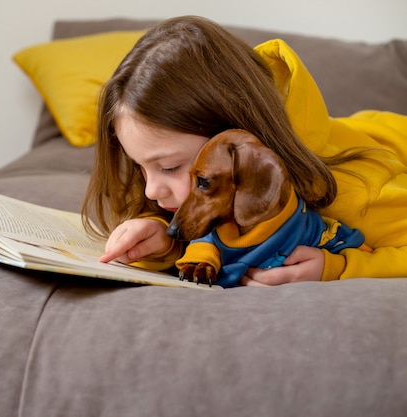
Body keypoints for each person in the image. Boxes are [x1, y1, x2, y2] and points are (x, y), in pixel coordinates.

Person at [81, 15, 407, 286]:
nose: (151, 190)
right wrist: (165, 240)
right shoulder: (193, 178)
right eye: (140, 166)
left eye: (168, 167)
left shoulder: (360, 190)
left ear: (236, 139)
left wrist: (338, 267)